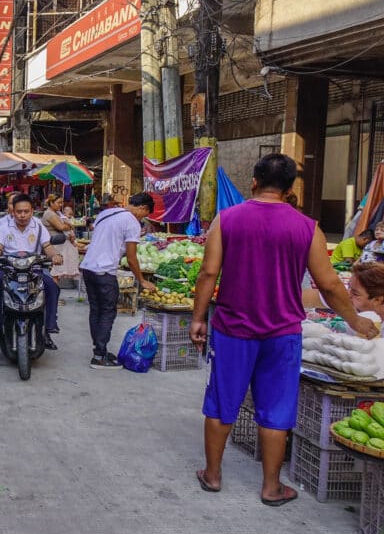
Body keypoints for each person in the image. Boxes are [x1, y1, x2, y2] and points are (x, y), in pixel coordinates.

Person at [190, 153, 378, 507]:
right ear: (291, 188)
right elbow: (329, 284)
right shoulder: (307, 227)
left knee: (221, 403)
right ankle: (271, 487)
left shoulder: (226, 220)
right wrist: (355, 320)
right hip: (283, 332)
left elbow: (207, 273)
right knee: (276, 409)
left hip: (233, 329)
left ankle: (213, 475)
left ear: (254, 182)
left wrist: (199, 317)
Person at [79, 192, 157, 369]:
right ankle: (99, 356)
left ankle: (99, 349)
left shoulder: (107, 213)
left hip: (88, 268)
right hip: (105, 272)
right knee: (107, 312)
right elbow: (131, 257)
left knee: (96, 310)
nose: (143, 217)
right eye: (145, 214)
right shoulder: (131, 222)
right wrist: (142, 280)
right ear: (143, 208)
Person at [0, 194, 62, 352]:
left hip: (35, 269)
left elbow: (47, 246)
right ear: (13, 212)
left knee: (52, 286)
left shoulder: (39, 226)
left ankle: (49, 328)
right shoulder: (5, 227)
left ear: (32, 211)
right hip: (9, 269)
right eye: (19, 211)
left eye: (26, 211)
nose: (22, 215)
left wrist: (55, 256)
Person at [42, 195, 80, 284]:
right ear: (51, 203)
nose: (60, 205)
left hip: (60, 245)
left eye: (61, 202)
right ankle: (52, 294)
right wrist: (70, 225)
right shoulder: (49, 214)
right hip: (54, 246)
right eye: (58, 202)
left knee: (57, 274)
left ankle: (54, 293)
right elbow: (61, 227)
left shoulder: (57, 213)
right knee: (55, 273)